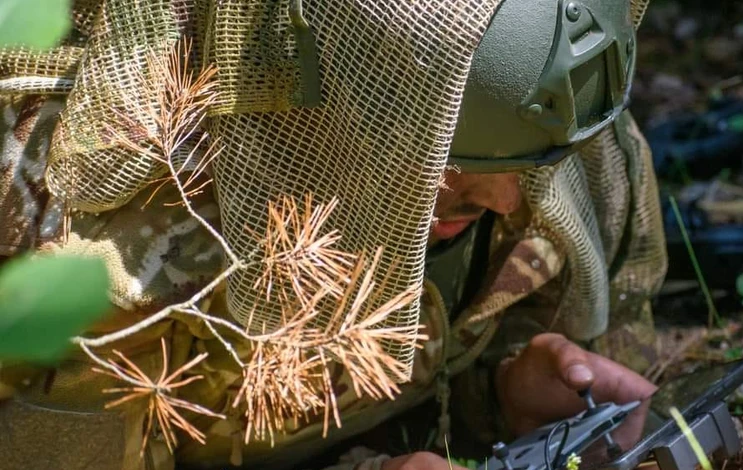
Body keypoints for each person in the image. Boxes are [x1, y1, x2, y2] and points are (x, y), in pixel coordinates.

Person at [0, 0, 666, 469]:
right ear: (338, 114)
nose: (506, 200)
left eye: (532, 170)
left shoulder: (563, 137)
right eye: (447, 167)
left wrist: (499, 397)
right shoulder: (103, 256)